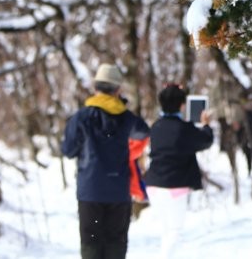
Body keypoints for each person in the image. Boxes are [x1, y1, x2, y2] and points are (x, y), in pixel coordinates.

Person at [62, 63, 150, 259]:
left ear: (95, 88)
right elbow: (143, 131)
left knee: (91, 243)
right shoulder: (126, 118)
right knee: (115, 243)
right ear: (118, 90)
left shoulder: (81, 118)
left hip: (90, 192)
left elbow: (68, 150)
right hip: (119, 192)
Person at [144, 83, 214, 258]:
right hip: (175, 187)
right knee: (175, 231)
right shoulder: (184, 128)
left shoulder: (156, 127)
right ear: (183, 105)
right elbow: (205, 140)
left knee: (166, 231)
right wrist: (205, 125)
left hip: (153, 185)